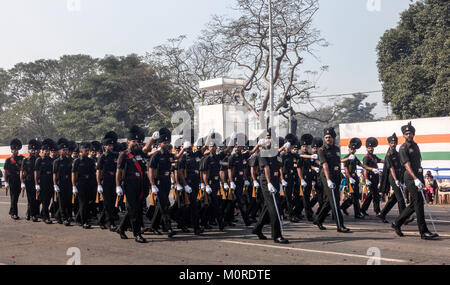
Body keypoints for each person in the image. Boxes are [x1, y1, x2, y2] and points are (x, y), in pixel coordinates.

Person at [392, 122, 438, 240]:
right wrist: (416, 178)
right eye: (406, 133)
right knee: (418, 204)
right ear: (403, 135)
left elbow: (418, 162)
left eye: (410, 133)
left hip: (418, 176)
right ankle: (424, 232)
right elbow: (407, 165)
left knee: (414, 204)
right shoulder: (403, 148)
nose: (409, 135)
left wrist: (420, 176)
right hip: (411, 177)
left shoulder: (415, 145)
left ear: (413, 134)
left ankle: (397, 223)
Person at [252, 136, 289, 244]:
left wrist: (281, 180)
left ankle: (257, 229)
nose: (271, 140)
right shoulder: (262, 152)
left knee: (267, 207)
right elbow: (266, 168)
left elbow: (278, 166)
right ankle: (277, 235)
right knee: (274, 207)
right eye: (268, 138)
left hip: (275, 180)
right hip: (266, 181)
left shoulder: (275, 152)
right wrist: (268, 183)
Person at [313, 127, 350, 233]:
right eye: (326, 137)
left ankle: (318, 220)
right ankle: (340, 225)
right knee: (335, 201)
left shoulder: (337, 149)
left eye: (329, 137)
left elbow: (338, 163)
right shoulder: (321, 150)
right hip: (327, 176)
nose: (328, 139)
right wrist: (328, 180)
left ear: (333, 138)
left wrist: (340, 175)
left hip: (336, 176)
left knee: (330, 201)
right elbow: (324, 165)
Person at [116, 126, 148, 243]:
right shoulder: (124, 154)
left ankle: (121, 228)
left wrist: (153, 141)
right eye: (133, 141)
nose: (135, 143)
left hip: (140, 185)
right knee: (135, 210)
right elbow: (118, 171)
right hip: (129, 185)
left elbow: (147, 151)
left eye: (137, 141)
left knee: (136, 209)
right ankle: (137, 234)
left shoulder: (139, 153)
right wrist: (118, 186)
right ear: (128, 141)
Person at [377, 133, 413, 224]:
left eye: (395, 142)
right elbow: (391, 168)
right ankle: (403, 218)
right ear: (389, 144)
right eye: (392, 142)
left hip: (399, 177)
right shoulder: (388, 155)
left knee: (394, 198)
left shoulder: (397, 153)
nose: (393, 144)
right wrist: (396, 180)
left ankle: (382, 214)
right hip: (393, 178)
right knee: (401, 199)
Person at [148, 128, 176, 238]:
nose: (166, 144)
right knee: (165, 205)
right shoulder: (156, 155)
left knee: (161, 205)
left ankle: (154, 226)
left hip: (166, 182)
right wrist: (153, 184)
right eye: (164, 142)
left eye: (167, 142)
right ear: (159, 144)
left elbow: (176, 158)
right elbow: (150, 170)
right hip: (158, 182)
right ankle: (168, 228)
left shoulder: (169, 155)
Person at [97, 131, 119, 231]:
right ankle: (111, 223)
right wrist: (99, 184)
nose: (111, 147)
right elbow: (98, 171)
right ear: (105, 147)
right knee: (108, 203)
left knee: (111, 203)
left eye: (112, 145)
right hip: (105, 182)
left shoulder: (115, 156)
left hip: (113, 182)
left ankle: (102, 221)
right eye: (109, 145)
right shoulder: (102, 157)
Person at [72, 142, 96, 229]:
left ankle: (79, 218)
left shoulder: (91, 161)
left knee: (88, 202)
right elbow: (74, 174)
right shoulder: (77, 161)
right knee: (83, 203)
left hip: (89, 184)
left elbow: (93, 173)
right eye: (85, 150)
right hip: (80, 184)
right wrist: (74, 185)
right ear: (81, 151)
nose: (87, 152)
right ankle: (84, 222)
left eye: (88, 150)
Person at [340, 138, 365, 219]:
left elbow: (361, 165)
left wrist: (369, 168)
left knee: (355, 196)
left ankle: (343, 206)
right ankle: (357, 214)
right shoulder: (347, 157)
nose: (352, 150)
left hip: (355, 178)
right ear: (349, 149)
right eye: (351, 149)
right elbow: (346, 169)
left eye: (354, 149)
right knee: (354, 196)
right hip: (350, 178)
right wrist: (350, 178)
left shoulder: (354, 157)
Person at [360, 137, 384, 216]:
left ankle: (363, 209)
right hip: (370, 178)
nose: (371, 149)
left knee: (371, 195)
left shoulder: (374, 156)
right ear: (367, 149)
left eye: (372, 148)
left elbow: (381, 161)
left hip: (375, 178)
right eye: (369, 148)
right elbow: (365, 168)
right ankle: (377, 211)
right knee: (375, 195)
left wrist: (387, 161)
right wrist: (366, 179)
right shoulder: (366, 158)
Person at [53, 138, 73, 226]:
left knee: (68, 201)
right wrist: (55, 185)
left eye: (66, 150)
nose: (65, 151)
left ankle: (65, 216)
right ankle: (64, 218)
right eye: (63, 150)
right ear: (60, 151)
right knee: (62, 202)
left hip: (68, 183)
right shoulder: (56, 162)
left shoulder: (70, 160)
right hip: (60, 183)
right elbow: (55, 174)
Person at [35, 139, 56, 224]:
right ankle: (46, 217)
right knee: (44, 201)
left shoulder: (51, 160)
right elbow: (36, 173)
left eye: (48, 150)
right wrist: (37, 184)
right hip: (43, 183)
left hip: (50, 182)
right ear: (42, 151)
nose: (47, 152)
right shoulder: (39, 160)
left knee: (49, 200)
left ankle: (42, 214)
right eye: (45, 150)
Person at [21, 139, 41, 222]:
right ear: (28, 150)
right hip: (29, 181)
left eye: (34, 150)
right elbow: (23, 172)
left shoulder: (39, 159)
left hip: (38, 182)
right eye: (31, 150)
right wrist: (22, 182)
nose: (33, 151)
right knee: (31, 199)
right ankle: (33, 215)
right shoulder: (25, 160)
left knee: (37, 199)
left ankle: (29, 213)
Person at [4, 139, 24, 220]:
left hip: (19, 180)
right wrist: (6, 182)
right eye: (14, 149)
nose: (16, 151)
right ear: (11, 150)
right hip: (12, 180)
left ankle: (11, 211)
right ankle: (14, 213)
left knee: (16, 197)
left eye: (17, 149)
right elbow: (5, 171)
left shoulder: (22, 158)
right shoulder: (8, 160)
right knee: (14, 197)